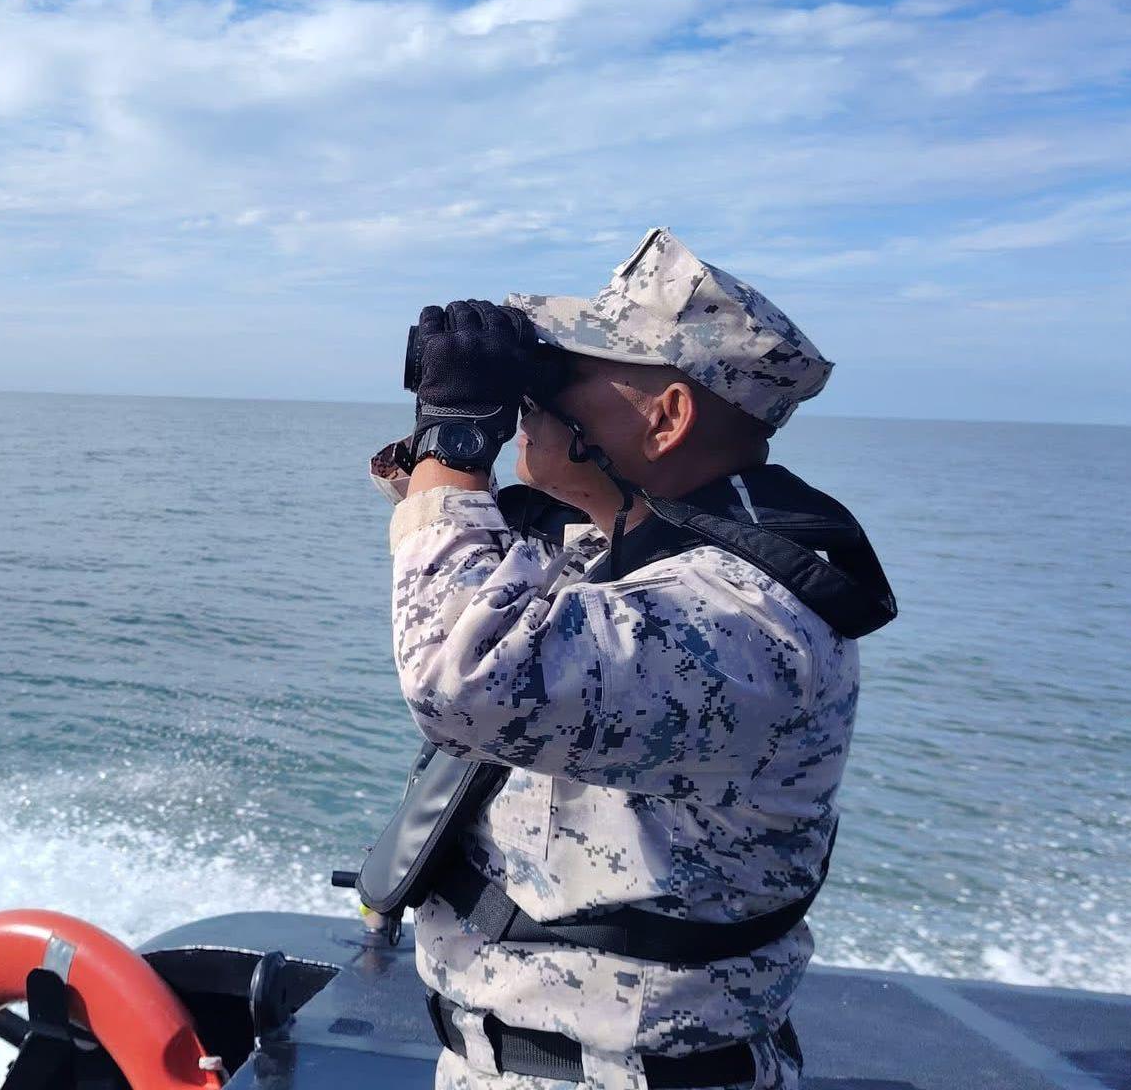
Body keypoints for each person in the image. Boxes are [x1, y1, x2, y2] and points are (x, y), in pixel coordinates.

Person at [367, 228, 897, 1090]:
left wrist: (455, 438)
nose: (537, 395)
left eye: (566, 372)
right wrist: (453, 439)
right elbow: (477, 557)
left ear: (668, 416)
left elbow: (460, 676)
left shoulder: (748, 618)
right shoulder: (625, 551)